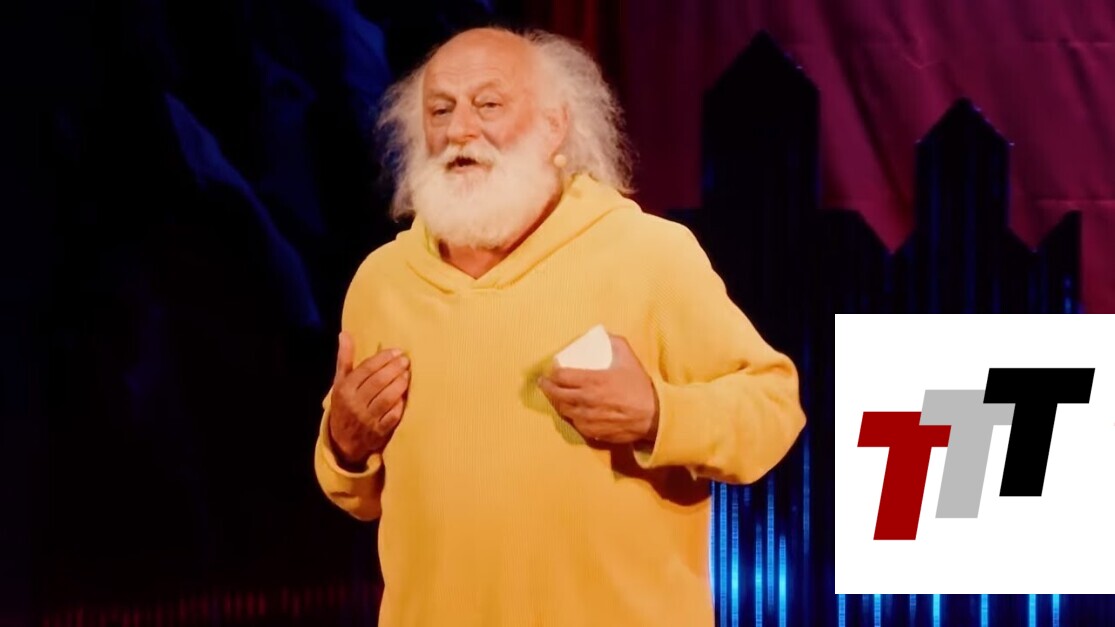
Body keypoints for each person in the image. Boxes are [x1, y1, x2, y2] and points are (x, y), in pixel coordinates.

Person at [314, 26, 806, 627]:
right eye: (440, 110)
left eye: (488, 105)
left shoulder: (648, 254)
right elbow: (356, 492)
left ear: (555, 126)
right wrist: (344, 444)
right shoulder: (382, 282)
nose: (459, 130)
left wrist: (658, 415)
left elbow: (773, 408)